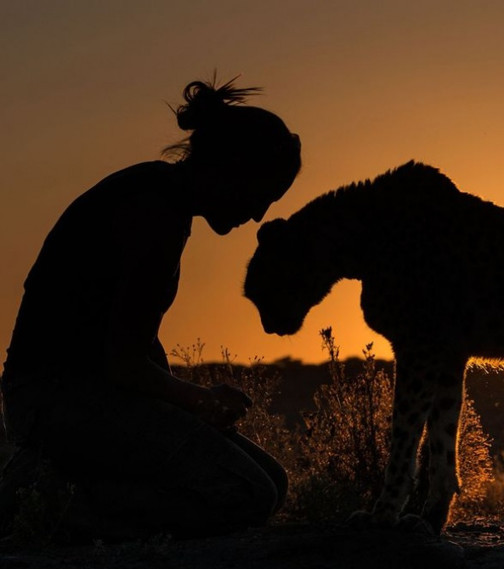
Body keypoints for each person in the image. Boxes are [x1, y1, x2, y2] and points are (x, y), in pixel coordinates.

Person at [0, 78, 300, 541]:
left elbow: (130, 341)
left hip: (78, 396)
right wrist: (198, 400)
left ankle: (63, 487)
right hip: (55, 399)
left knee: (272, 485)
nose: (258, 214)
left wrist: (187, 402)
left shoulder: (157, 197)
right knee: (245, 494)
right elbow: (123, 363)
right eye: (261, 194)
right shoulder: (153, 214)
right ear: (232, 170)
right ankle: (48, 501)